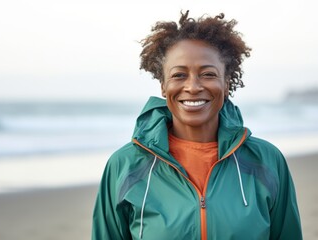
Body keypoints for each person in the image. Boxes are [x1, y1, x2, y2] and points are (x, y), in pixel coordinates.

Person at [92, 10, 302, 240]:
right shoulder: (125, 165)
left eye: (208, 74)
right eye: (179, 75)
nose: (193, 87)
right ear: (163, 86)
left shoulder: (267, 161)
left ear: (226, 82)